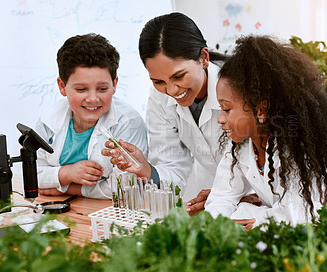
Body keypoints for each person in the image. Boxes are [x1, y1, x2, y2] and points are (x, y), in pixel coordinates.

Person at [205, 35, 327, 230]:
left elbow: (290, 217)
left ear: (261, 109)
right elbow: (219, 199)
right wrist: (225, 219)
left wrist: (243, 209)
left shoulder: (299, 151)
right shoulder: (239, 149)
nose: (220, 119)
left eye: (227, 109)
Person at [101, 12, 251, 213]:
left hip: (259, 201)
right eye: (158, 81)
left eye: (179, 76)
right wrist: (146, 169)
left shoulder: (241, 87)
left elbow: (265, 164)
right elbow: (173, 167)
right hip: (213, 200)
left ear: (204, 58)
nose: (171, 91)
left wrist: (238, 196)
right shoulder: (159, 97)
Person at [35, 33, 148, 199]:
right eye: (81, 89)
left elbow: (126, 187)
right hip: (64, 211)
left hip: (111, 213)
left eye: (102, 89)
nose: (93, 99)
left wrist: (66, 189)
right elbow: (32, 175)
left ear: (114, 84)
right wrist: (67, 174)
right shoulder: (48, 120)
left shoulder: (128, 123)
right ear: (62, 86)